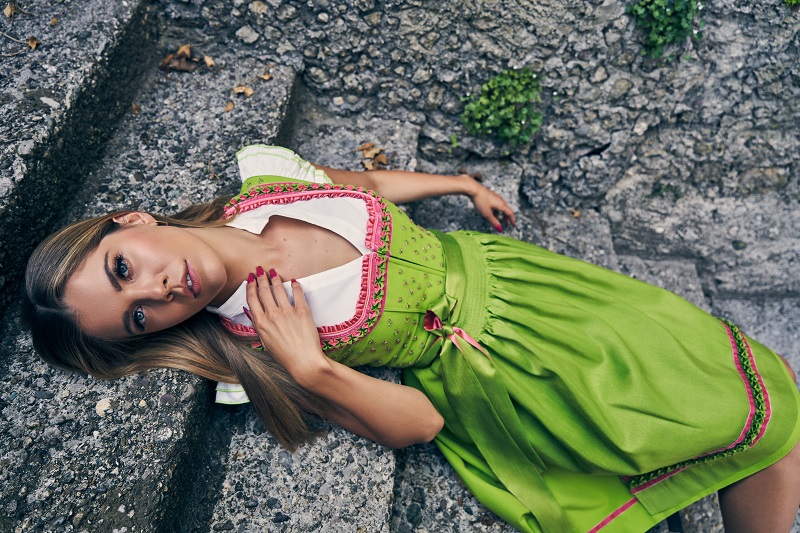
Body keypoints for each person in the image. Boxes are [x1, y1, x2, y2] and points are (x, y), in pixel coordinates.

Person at [24, 145, 800, 532]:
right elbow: (421, 423)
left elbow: (362, 188)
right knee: (761, 418)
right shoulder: (256, 345)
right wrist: (311, 369)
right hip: (503, 360)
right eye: (137, 317)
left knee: (753, 378)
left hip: (522, 278)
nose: (157, 290)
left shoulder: (260, 187)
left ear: (132, 221)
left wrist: (459, 183)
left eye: (123, 268)